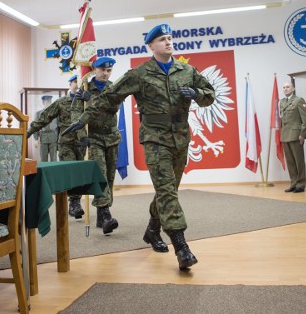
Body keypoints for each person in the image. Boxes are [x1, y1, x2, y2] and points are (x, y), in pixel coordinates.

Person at [62, 23, 215, 270]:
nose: (168, 41)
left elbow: (210, 94)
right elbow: (108, 99)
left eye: (169, 37)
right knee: (166, 191)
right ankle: (181, 246)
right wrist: (83, 118)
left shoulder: (187, 71)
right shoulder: (140, 74)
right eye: (162, 39)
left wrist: (197, 92)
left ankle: (152, 231)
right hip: (155, 140)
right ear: (151, 46)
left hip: (180, 139)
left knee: (169, 191)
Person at [70, 57, 122, 235]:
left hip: (112, 137)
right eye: (102, 70)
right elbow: (76, 114)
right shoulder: (83, 89)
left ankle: (101, 214)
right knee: (100, 175)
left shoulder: (113, 87)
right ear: (94, 70)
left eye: (109, 71)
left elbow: (113, 107)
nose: (106, 74)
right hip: (94, 139)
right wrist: (82, 136)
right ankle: (106, 214)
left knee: (109, 177)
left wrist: (91, 99)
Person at [26, 75, 85, 219]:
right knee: (72, 171)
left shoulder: (87, 101)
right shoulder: (61, 102)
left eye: (80, 82)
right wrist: (28, 132)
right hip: (66, 143)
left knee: (80, 173)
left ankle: (79, 202)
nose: (78, 84)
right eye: (75, 82)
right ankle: (74, 203)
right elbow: (44, 117)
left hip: (82, 142)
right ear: (70, 84)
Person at [279, 82, 306, 193]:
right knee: (290, 161)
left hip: (296, 135)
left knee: (299, 161)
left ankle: (301, 184)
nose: (285, 89)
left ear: (293, 88)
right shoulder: (282, 102)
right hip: (285, 134)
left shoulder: (298, 100)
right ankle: (293, 182)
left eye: (288, 87)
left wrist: (303, 134)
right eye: (284, 87)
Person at [34, 95, 58, 162]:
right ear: (43, 102)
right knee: (43, 158)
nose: (48, 103)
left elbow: (58, 127)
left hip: (53, 136)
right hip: (43, 136)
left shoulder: (55, 113)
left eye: (50, 101)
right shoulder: (38, 114)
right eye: (47, 101)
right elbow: (35, 126)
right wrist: (36, 139)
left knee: (54, 158)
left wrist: (59, 138)